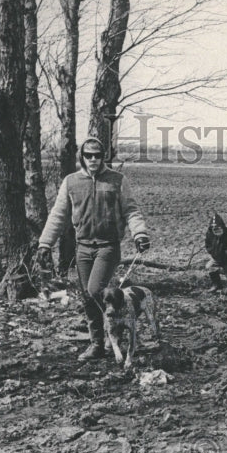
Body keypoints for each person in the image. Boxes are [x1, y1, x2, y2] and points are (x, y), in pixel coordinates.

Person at [37, 137, 151, 360]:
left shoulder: (117, 180)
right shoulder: (71, 182)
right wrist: (45, 244)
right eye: (88, 155)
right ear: (82, 157)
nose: (93, 159)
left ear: (103, 157)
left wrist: (140, 233)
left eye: (97, 155)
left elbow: (131, 210)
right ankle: (97, 343)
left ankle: (114, 331)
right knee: (88, 297)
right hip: (83, 248)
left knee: (93, 289)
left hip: (108, 247)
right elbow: (58, 215)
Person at [205, 211, 227, 298]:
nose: (217, 230)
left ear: (222, 227)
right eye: (214, 229)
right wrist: (213, 254)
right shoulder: (210, 234)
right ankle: (217, 285)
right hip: (217, 258)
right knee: (209, 267)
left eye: (218, 228)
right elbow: (208, 245)